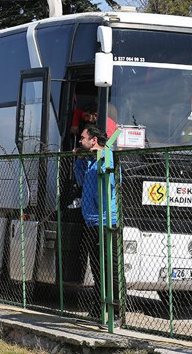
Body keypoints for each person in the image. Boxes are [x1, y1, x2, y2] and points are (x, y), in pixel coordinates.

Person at [75, 124, 120, 320]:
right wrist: (79, 160)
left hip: (106, 221)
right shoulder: (91, 163)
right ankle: (97, 309)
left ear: (93, 140)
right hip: (92, 222)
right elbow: (80, 180)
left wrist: (100, 155)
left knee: (111, 268)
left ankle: (116, 311)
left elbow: (108, 180)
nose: (79, 140)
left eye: (82, 137)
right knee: (97, 269)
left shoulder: (107, 155)